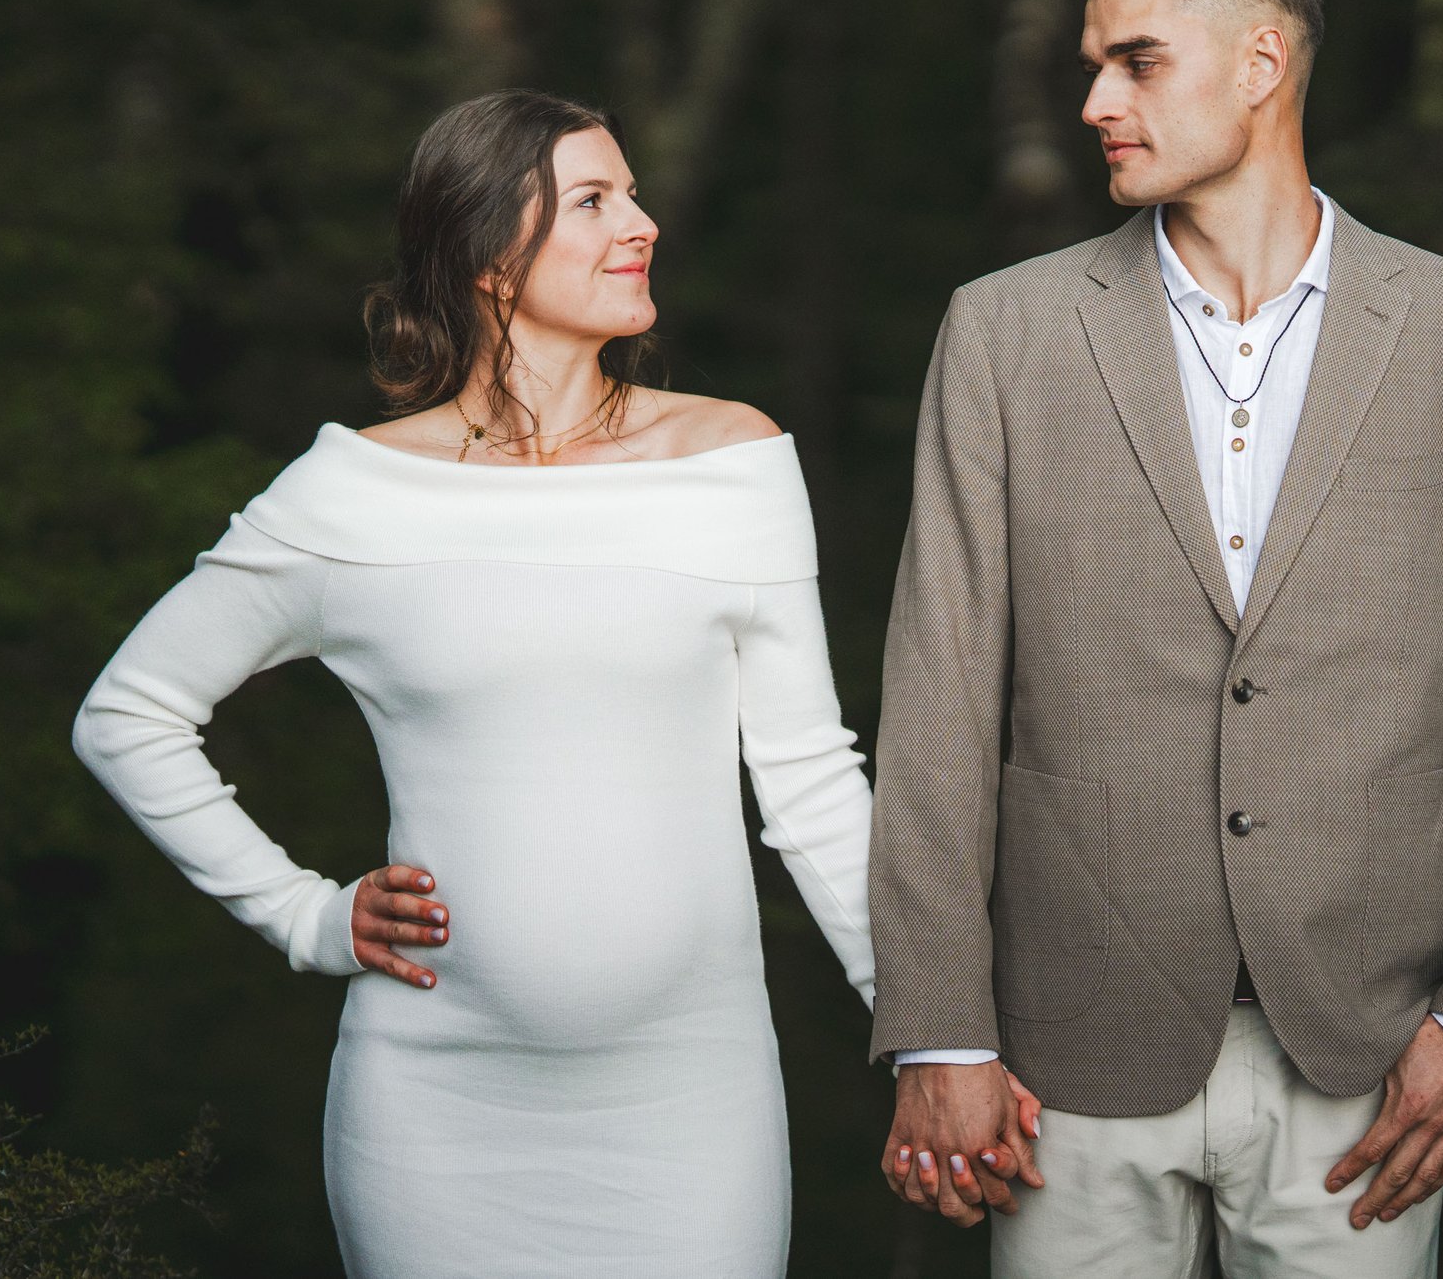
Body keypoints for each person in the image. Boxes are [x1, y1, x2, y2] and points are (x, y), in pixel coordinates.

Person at [869, 0, 1443, 1277]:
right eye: (1092, 66)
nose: (1094, 101)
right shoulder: (1004, 330)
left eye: (1134, 62)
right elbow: (940, 697)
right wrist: (942, 1027)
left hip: (1370, 1055)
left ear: (1262, 63)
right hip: (1061, 1053)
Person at [71, 90, 879, 1278]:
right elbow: (128, 713)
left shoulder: (732, 459)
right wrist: (304, 913)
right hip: (434, 1110)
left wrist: (929, 1034)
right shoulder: (351, 493)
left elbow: (810, 780)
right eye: (596, 199)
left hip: (690, 1100)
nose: (642, 223)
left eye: (637, 192)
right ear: (491, 257)